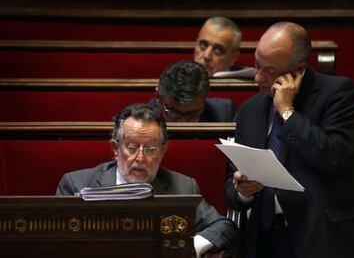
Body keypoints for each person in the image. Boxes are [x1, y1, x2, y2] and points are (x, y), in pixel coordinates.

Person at [224, 21, 354, 258]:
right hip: (266, 241)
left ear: (297, 71)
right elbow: (230, 183)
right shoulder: (250, 110)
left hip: (324, 238)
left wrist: (288, 113)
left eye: (269, 71)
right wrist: (242, 191)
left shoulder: (339, 94)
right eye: (257, 65)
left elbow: (336, 158)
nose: (258, 77)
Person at [56, 103, 240, 257]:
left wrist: (192, 247)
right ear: (115, 148)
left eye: (151, 149)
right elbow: (56, 241)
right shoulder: (77, 184)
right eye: (132, 147)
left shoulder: (183, 186)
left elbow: (223, 227)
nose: (140, 158)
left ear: (163, 151)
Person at [148, 60, 235, 122]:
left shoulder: (222, 114)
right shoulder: (142, 121)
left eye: (192, 114)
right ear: (158, 98)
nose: (182, 124)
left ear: (204, 101)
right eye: (173, 112)